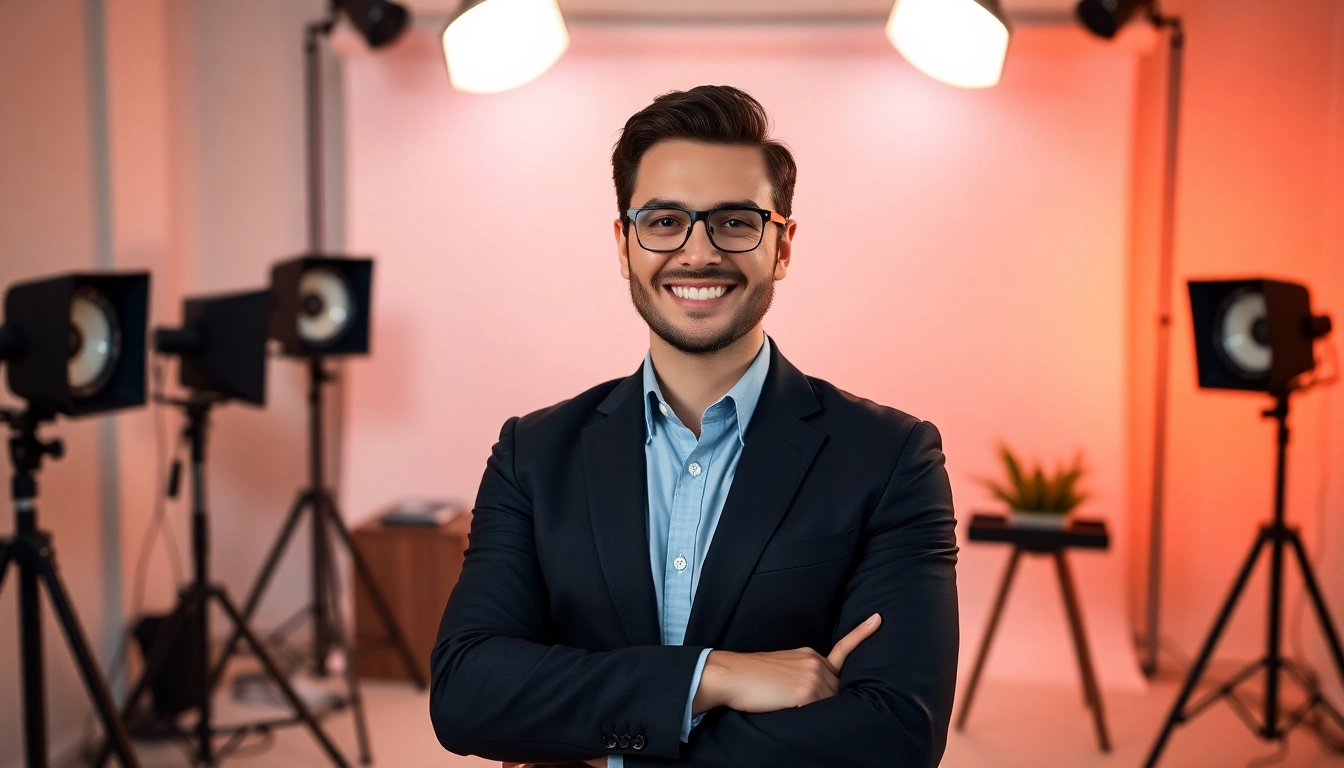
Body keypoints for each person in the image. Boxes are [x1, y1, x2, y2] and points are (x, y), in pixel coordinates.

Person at [430, 85, 958, 768]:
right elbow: (467, 692)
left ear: (783, 246)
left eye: (735, 221)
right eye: (664, 221)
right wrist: (714, 676)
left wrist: (601, 743)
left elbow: (895, 735)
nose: (698, 253)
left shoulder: (892, 459)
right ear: (625, 244)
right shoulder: (530, 456)